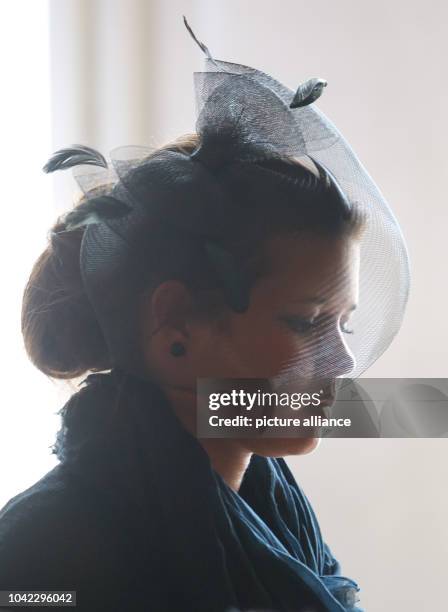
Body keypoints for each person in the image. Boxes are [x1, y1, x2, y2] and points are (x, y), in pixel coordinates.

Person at [0, 20, 409, 612]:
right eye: (305, 321)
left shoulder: (274, 516)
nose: (344, 362)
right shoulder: (45, 553)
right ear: (176, 329)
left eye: (342, 323)